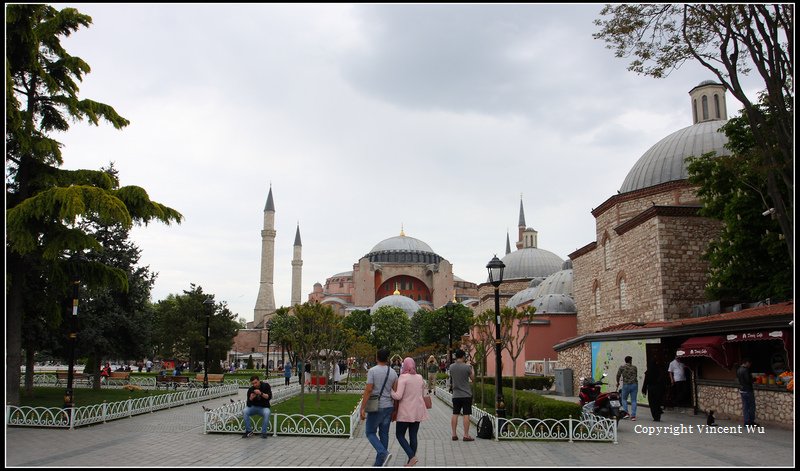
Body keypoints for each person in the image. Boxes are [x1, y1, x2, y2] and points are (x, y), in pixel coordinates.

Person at [360, 348, 398, 467]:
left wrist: (362, 407)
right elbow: (395, 393)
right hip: (388, 406)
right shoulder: (393, 373)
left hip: (376, 406)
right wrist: (395, 409)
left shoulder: (372, 371)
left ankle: (383, 453)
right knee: (384, 434)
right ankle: (379, 463)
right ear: (387, 359)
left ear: (377, 358)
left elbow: (369, 389)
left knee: (370, 432)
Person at [391, 357, 428, 467]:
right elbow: (422, 393)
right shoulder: (420, 377)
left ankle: (412, 457)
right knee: (413, 435)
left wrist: (390, 390)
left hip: (405, 412)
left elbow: (398, 396)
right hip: (417, 410)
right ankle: (411, 462)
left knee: (399, 435)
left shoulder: (403, 377)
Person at [449, 349, 475, 441]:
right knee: (466, 414)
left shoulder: (451, 367)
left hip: (456, 394)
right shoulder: (467, 367)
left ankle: (454, 434)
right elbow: (473, 378)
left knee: (455, 413)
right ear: (463, 356)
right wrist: (471, 368)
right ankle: (466, 435)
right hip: (466, 394)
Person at [616, 355, 639, 421]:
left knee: (624, 399)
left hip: (626, 385)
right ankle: (633, 416)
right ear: (630, 360)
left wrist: (617, 382)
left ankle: (626, 413)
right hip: (634, 384)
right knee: (634, 400)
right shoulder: (634, 367)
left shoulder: (622, 367)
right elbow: (636, 375)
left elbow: (618, 375)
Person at [737, 358, 757, 426]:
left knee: (745, 407)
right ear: (747, 362)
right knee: (751, 406)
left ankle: (746, 422)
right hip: (748, 390)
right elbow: (748, 380)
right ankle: (751, 421)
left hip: (742, 390)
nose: (750, 365)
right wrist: (754, 379)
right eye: (750, 364)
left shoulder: (739, 369)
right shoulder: (746, 370)